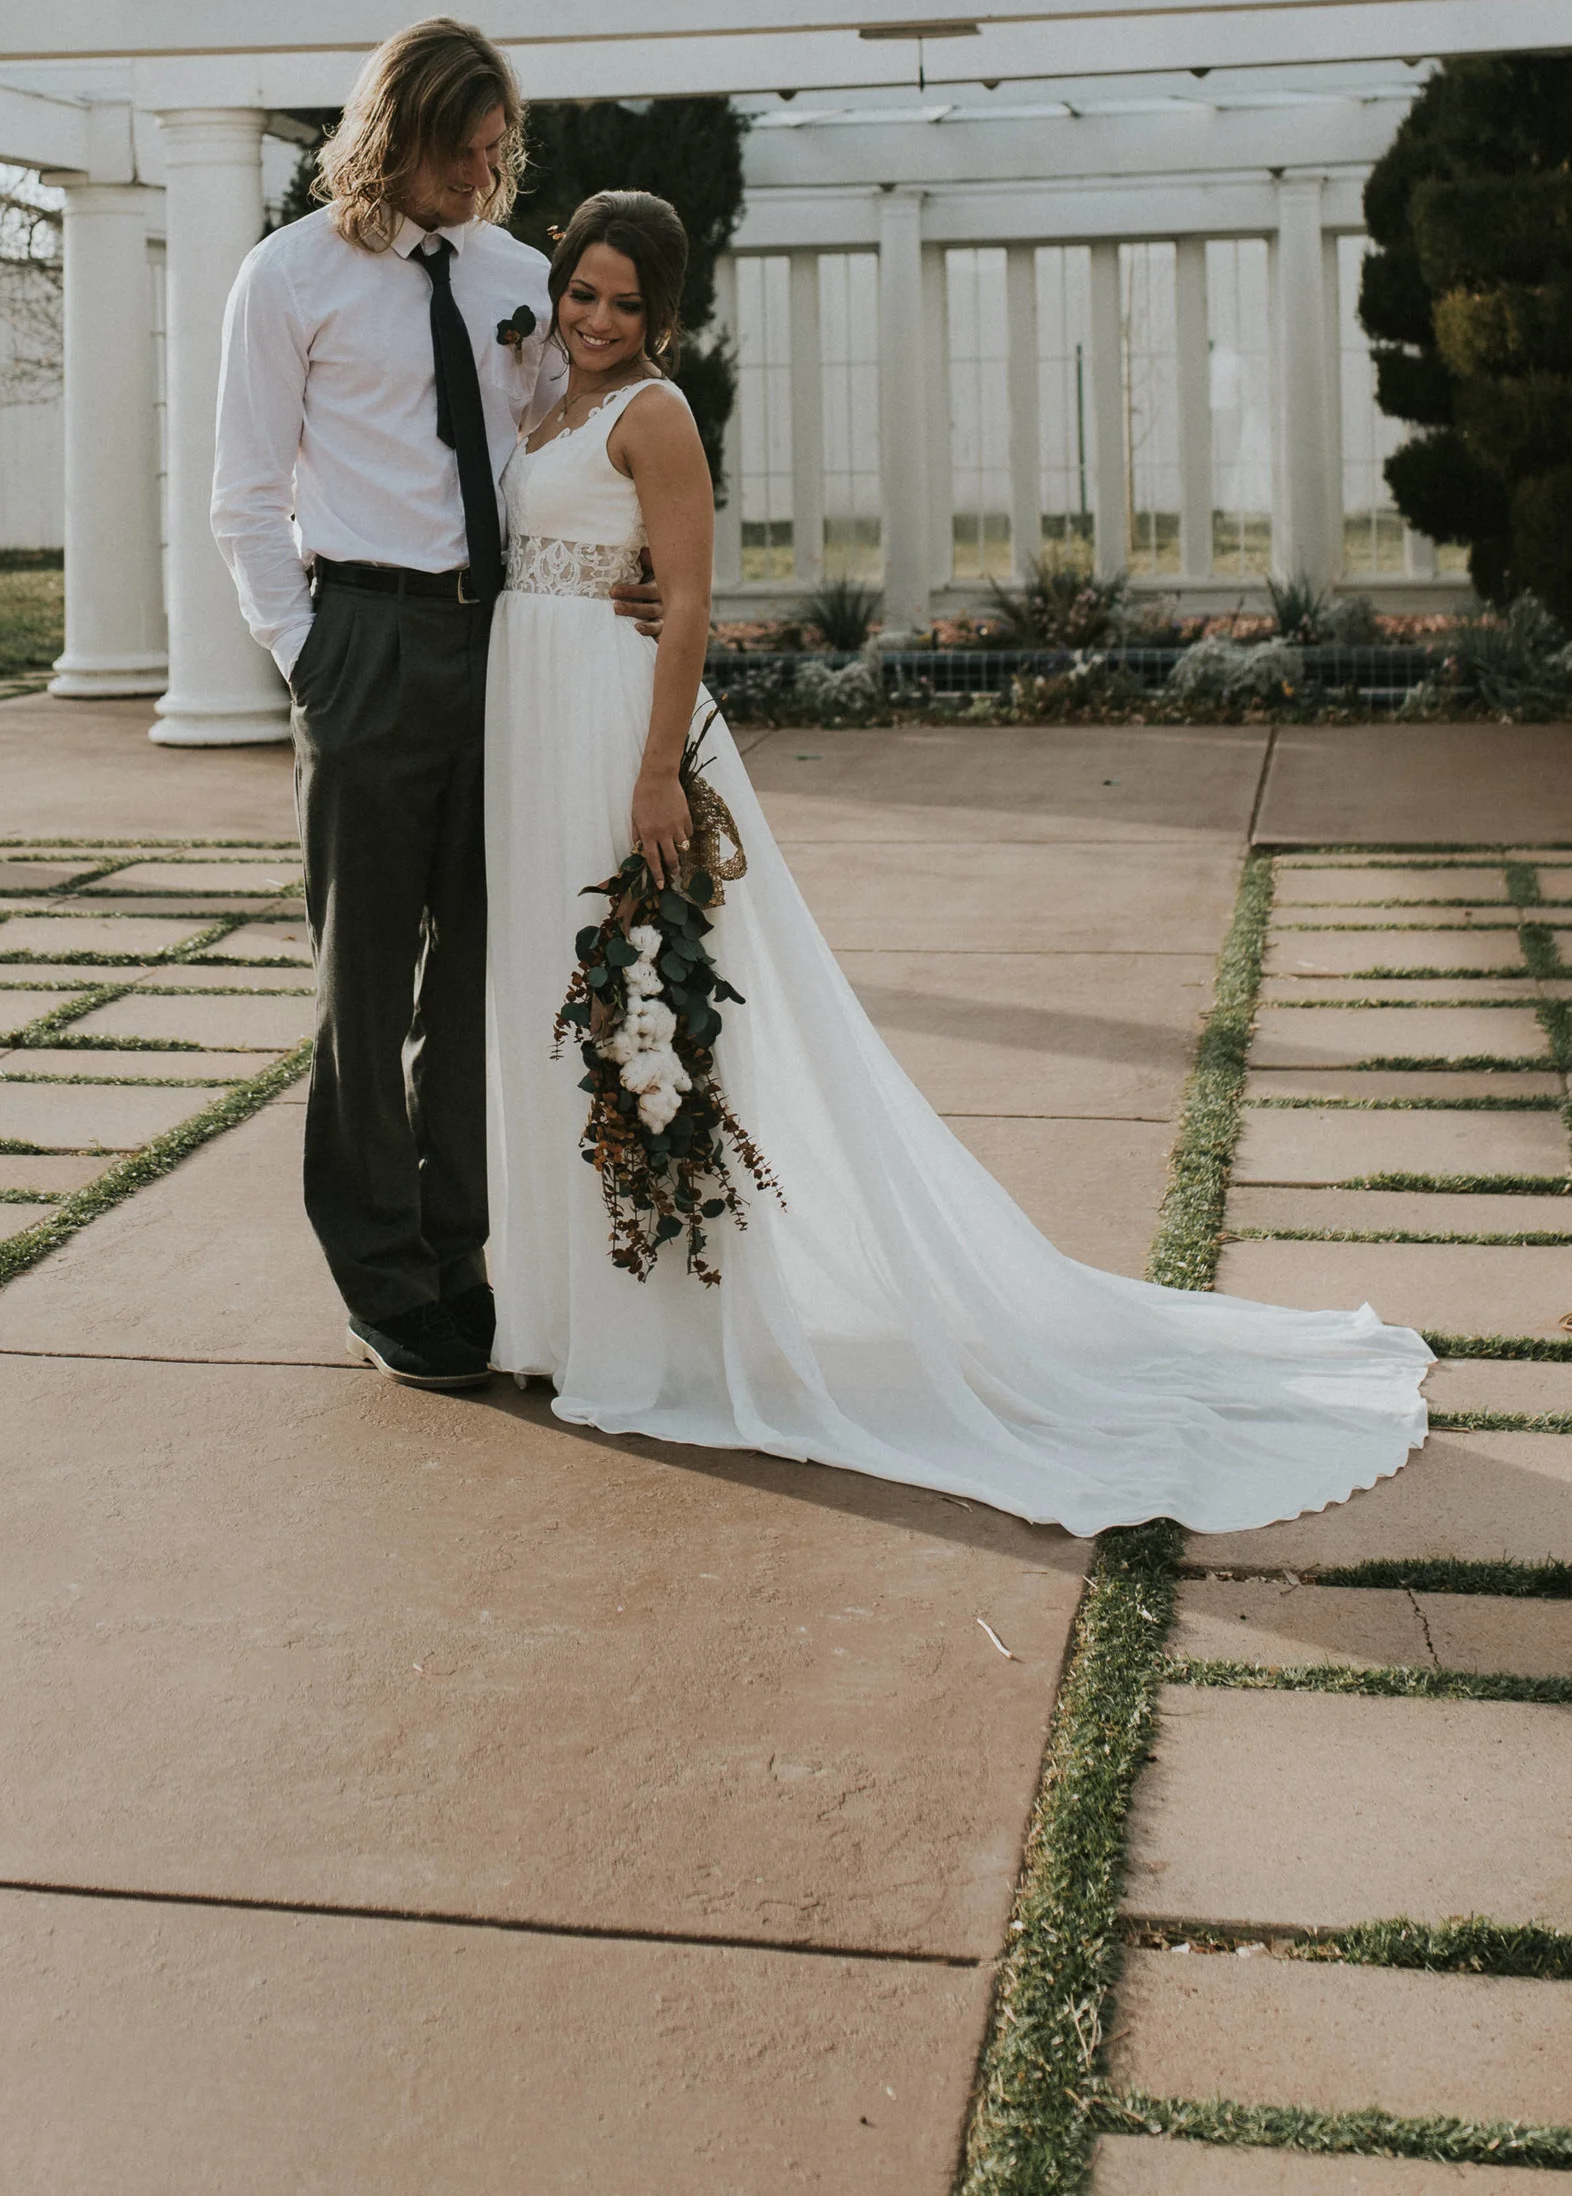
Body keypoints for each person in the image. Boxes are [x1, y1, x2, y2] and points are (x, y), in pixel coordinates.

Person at [482, 186, 1435, 1537]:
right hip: (526, 717)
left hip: (607, 725)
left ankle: (650, 1328)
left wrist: (653, 770)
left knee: (631, 1003)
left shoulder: (657, 414)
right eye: (583, 290)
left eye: (624, 302)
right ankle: (556, 1302)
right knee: (542, 997)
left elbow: (690, 595)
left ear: (667, 319)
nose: (594, 317)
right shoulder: (542, 401)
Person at [213, 16, 574, 1390]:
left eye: (497, 154)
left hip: (504, 642)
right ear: (395, 136)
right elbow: (242, 492)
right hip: (361, 635)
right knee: (365, 977)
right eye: (461, 153)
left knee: (479, 967)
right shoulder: (287, 278)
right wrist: (309, 655)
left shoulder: (518, 277)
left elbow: (556, 442)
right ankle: (378, 1278)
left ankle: (454, 1250)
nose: (484, 179)